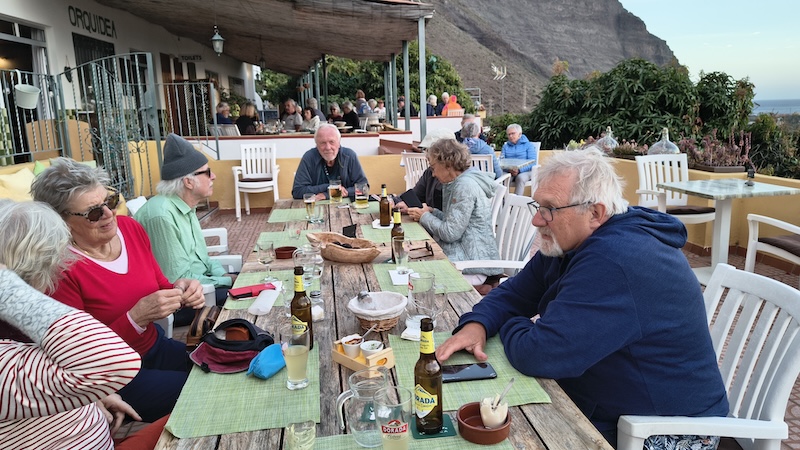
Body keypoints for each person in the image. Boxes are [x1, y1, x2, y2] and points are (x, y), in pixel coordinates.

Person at [435, 148, 729, 448]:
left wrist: (512, 324)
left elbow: (541, 354)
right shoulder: (568, 241)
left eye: (549, 208)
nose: (537, 220)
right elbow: (515, 293)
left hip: (666, 427)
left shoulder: (617, 259)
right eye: (538, 206)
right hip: (607, 402)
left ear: (595, 213)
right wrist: (479, 324)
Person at [31, 158, 205, 423]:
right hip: (112, 376)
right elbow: (76, 355)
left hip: (153, 347)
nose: (108, 214)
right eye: (93, 213)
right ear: (62, 222)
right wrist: (135, 318)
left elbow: (161, 285)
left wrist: (182, 289)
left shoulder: (129, 229)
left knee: (221, 368)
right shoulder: (60, 269)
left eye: (110, 201)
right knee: (201, 392)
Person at [0, 199, 166, 450]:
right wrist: (8, 289)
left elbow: (45, 379)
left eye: (110, 201)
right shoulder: (9, 349)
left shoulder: (24, 333)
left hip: (97, 429)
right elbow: (115, 361)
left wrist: (92, 398)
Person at [134, 133, 236, 315]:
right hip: (181, 301)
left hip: (202, 285)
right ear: (188, 182)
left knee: (257, 281)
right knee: (245, 300)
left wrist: (225, 276)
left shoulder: (187, 206)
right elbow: (177, 280)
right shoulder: (162, 216)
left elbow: (203, 260)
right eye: (207, 172)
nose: (213, 176)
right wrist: (228, 281)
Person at [407, 139, 502, 288]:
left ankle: (478, 290)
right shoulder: (460, 182)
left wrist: (423, 216)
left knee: (416, 275)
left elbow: (450, 233)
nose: (433, 174)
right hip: (468, 256)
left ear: (447, 164)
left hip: (472, 265)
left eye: (433, 168)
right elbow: (455, 222)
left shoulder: (464, 186)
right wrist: (432, 211)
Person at [292, 124, 368, 200]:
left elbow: (364, 187)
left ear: (339, 143)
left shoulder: (349, 156)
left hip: (347, 206)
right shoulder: (309, 158)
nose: (328, 147)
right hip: (317, 206)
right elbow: (297, 191)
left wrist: (330, 194)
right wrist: (329, 187)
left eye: (332, 142)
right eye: (323, 143)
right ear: (316, 145)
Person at [393, 128, 455, 213]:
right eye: (425, 150)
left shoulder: (458, 180)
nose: (426, 155)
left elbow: (449, 218)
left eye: (429, 151)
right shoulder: (429, 172)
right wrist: (395, 201)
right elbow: (415, 195)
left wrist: (425, 213)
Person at [501, 123, 538, 195]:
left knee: (520, 178)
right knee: (503, 177)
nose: (510, 136)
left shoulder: (528, 145)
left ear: (520, 134)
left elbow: (533, 162)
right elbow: (501, 161)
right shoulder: (505, 146)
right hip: (510, 171)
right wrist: (509, 169)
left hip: (526, 171)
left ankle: (516, 200)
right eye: (509, 134)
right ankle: (502, 200)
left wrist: (519, 170)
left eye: (513, 133)